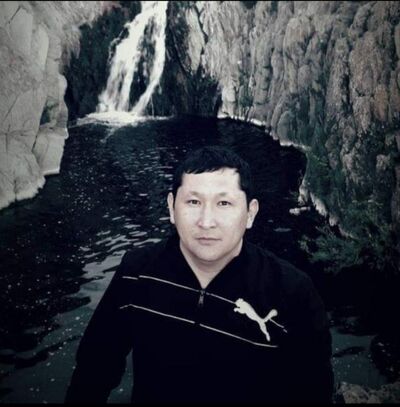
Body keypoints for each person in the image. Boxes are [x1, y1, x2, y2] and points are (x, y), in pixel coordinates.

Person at [65, 145, 333, 404]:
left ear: (250, 213)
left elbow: (313, 391)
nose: (206, 222)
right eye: (193, 201)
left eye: (224, 203)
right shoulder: (136, 273)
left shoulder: (292, 292)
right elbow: (94, 370)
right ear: (172, 207)